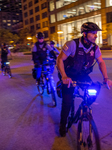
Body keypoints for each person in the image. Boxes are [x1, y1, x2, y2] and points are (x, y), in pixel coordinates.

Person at [56, 22, 112, 137]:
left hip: (82, 75)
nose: (95, 36)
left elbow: (101, 62)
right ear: (85, 34)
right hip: (69, 75)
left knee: (94, 91)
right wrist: (64, 76)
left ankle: (84, 109)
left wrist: (106, 78)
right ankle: (62, 124)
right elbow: (60, 60)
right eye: (93, 33)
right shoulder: (72, 44)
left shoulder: (95, 48)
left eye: (96, 33)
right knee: (67, 102)